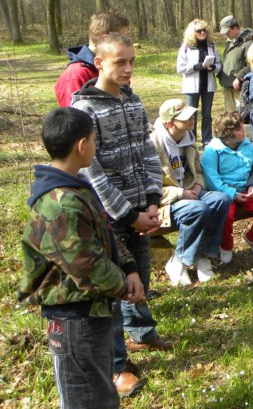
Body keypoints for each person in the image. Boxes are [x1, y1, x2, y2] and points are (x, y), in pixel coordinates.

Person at [19, 107, 143, 408]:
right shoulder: (61, 204)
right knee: (84, 397)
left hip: (91, 311)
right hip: (74, 320)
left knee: (100, 390)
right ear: (82, 145)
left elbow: (104, 234)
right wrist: (123, 286)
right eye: (94, 140)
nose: (95, 146)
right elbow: (87, 267)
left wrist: (129, 267)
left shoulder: (75, 189)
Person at [71, 33, 173, 396]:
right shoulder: (85, 109)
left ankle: (141, 333)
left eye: (132, 61)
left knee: (139, 279)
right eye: (120, 62)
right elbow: (92, 173)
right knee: (113, 290)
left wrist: (151, 201)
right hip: (109, 216)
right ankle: (116, 365)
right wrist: (128, 214)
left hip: (140, 209)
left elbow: (147, 151)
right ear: (99, 63)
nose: (128, 69)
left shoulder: (133, 100)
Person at [150, 100, 230, 285]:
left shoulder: (188, 138)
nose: (192, 119)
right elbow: (151, 188)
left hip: (189, 191)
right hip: (165, 200)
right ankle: (179, 261)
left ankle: (202, 256)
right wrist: (180, 193)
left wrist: (197, 186)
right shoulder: (154, 144)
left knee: (221, 200)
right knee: (198, 209)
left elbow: (198, 171)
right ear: (170, 123)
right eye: (185, 118)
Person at [200, 111, 253, 264]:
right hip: (225, 194)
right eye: (239, 129)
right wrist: (232, 194)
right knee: (225, 215)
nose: (244, 131)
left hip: (247, 190)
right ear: (228, 134)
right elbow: (212, 180)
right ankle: (225, 246)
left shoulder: (248, 145)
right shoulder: (212, 152)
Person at [55, 9, 130, 107]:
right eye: (121, 39)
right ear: (104, 39)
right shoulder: (76, 75)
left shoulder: (115, 68)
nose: (125, 44)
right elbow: (74, 114)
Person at [176, 18, 222, 146]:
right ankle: (191, 140)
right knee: (192, 115)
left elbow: (219, 65)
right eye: (199, 31)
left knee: (207, 115)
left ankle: (207, 139)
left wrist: (214, 67)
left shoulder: (211, 46)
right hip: (192, 86)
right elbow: (180, 68)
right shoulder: (186, 47)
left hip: (208, 85)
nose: (202, 33)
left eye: (205, 30)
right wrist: (196, 66)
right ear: (193, 32)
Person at [218, 15, 253, 112]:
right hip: (228, 83)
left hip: (240, 85)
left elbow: (252, 64)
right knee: (229, 114)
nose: (226, 35)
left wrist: (239, 77)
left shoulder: (249, 42)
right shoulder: (229, 42)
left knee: (241, 113)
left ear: (235, 28)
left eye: (228, 32)